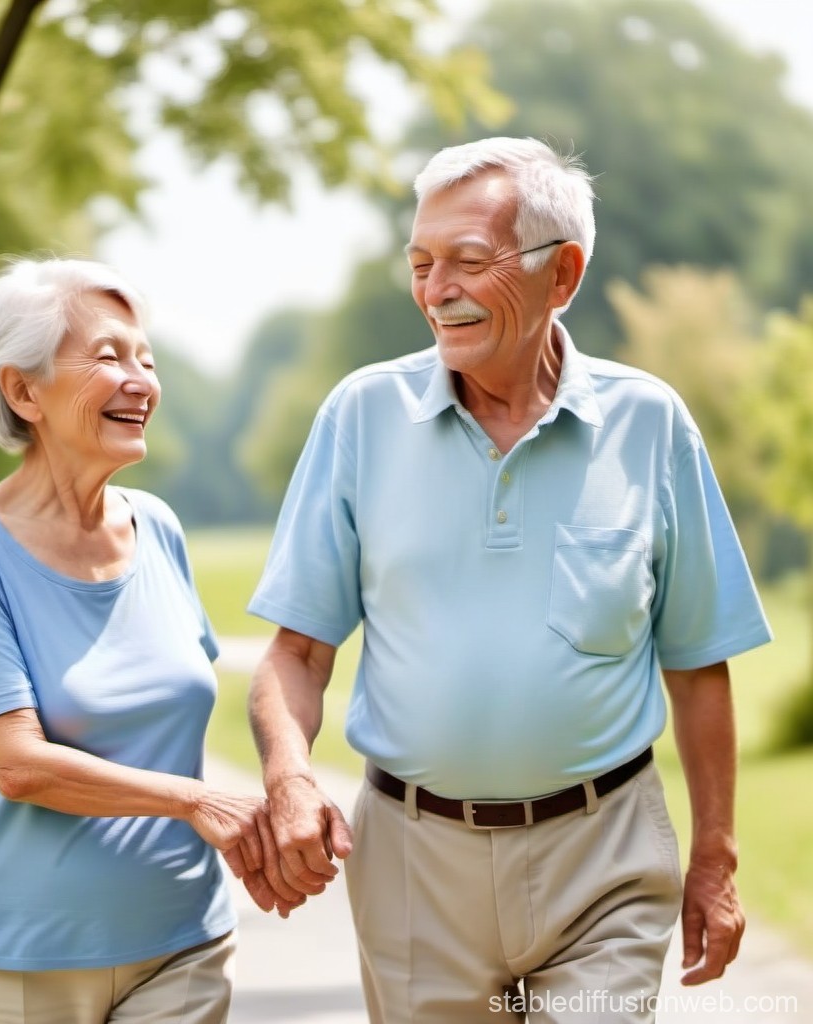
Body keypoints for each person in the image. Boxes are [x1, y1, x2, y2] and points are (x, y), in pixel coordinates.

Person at [246, 137, 773, 1023]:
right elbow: (295, 654)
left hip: (604, 858)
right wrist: (291, 779)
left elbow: (697, 662)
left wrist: (714, 860)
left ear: (560, 275)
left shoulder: (649, 424)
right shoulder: (361, 416)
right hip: (414, 866)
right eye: (420, 264)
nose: (435, 290)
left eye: (467, 261)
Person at [0, 257, 297, 1024]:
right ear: (22, 391)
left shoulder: (158, 528)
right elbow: (19, 766)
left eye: (146, 360)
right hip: (18, 955)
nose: (141, 380)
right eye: (108, 356)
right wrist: (199, 801)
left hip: (182, 940)